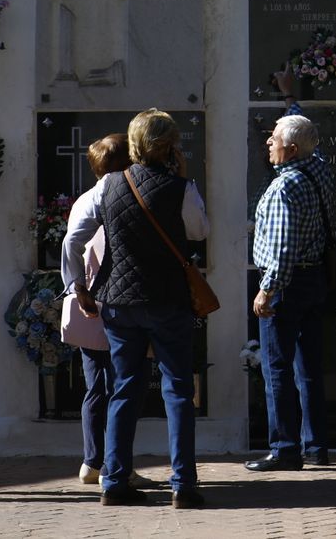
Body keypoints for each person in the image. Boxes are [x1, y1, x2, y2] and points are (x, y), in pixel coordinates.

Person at [68, 109, 209, 509]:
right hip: (167, 300)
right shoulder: (180, 187)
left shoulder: (108, 186)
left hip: (119, 303)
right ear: (171, 147)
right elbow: (199, 231)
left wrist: (79, 286)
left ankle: (114, 481)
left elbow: (74, 238)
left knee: (124, 389)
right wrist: (186, 180)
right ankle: (183, 484)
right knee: (178, 390)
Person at [247, 68, 334, 472]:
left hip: (286, 283)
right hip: (314, 280)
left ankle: (284, 449)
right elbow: (306, 135)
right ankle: (316, 447)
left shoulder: (285, 187)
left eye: (275, 139)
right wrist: (288, 99)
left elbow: (282, 249)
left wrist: (267, 290)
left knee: (276, 367)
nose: (269, 141)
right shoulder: (318, 168)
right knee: (309, 367)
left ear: (292, 150)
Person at [58, 133, 146, 490]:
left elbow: (72, 244)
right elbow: (73, 243)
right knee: (121, 387)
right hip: (110, 302)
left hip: (88, 304)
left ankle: (93, 460)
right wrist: (80, 288)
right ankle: (114, 464)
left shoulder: (84, 199)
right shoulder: (116, 197)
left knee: (96, 387)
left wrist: (76, 287)